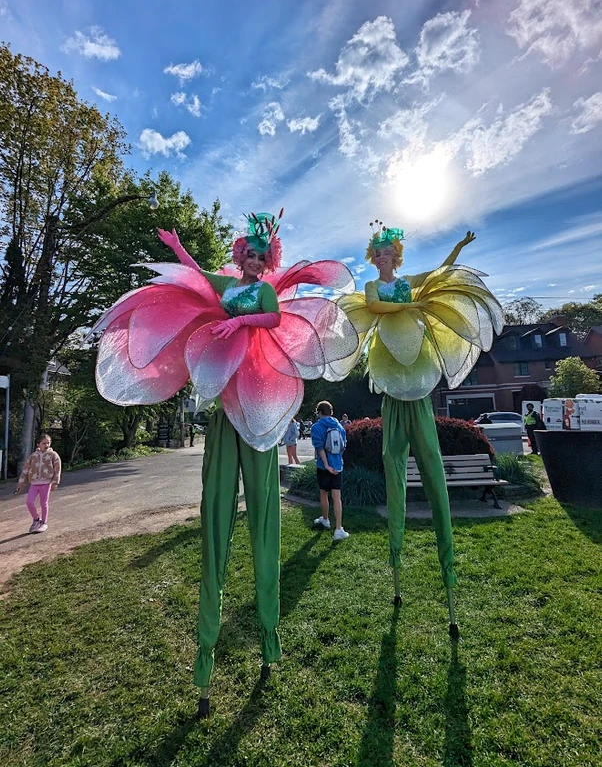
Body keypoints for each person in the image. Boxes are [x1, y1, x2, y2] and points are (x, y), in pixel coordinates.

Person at [90, 209, 357, 717]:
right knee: (214, 520)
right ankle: (205, 655)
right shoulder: (229, 283)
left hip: (255, 412)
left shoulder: (263, 292)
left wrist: (237, 320)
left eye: (262, 256)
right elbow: (197, 277)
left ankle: (269, 636)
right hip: (220, 417)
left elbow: (274, 319)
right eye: (249, 255)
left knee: (263, 521)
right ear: (241, 256)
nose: (255, 263)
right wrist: (176, 248)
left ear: (268, 260)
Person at [337, 222, 502, 635]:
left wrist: (458, 248)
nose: (383, 258)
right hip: (392, 383)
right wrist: (411, 309)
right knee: (394, 467)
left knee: (431, 467)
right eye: (377, 253)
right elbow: (377, 309)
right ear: (373, 258)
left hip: (420, 382)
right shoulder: (375, 289)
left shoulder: (410, 282)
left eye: (388, 252)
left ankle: (447, 568)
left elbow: (438, 276)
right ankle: (395, 562)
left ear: (397, 254)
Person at [312, 400, 349, 541]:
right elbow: (343, 446)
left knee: (323, 493)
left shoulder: (316, 427)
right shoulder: (340, 426)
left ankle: (326, 519)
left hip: (323, 466)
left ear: (320, 413)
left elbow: (319, 448)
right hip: (338, 466)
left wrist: (326, 465)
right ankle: (339, 529)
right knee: (337, 497)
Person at [14, 433, 61, 533]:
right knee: (29, 502)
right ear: (38, 444)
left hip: (46, 483)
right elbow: (26, 470)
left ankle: (44, 523)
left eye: (48, 443)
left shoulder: (53, 455)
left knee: (44, 503)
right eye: (44, 443)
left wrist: (55, 482)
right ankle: (36, 519)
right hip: (34, 483)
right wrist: (21, 483)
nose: (46, 445)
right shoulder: (33, 456)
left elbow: (57, 469)